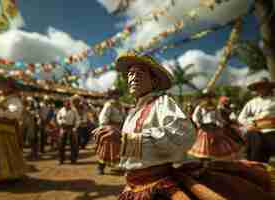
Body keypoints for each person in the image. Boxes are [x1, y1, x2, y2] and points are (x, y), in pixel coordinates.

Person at [96, 53, 275, 200]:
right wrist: (121, 143)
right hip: (133, 186)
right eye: (130, 74)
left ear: (154, 81)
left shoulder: (163, 102)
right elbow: (135, 152)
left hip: (158, 185)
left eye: (140, 73)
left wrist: (125, 139)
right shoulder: (132, 112)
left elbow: (183, 134)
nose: (133, 78)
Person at [188, 90, 242, 160]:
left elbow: (218, 118)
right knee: (204, 149)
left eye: (210, 97)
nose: (208, 99)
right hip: (205, 129)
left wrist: (222, 123)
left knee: (214, 148)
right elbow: (195, 117)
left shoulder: (215, 107)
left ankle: (210, 164)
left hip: (214, 129)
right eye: (206, 97)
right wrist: (199, 123)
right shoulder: (200, 107)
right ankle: (204, 163)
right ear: (203, 98)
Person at [238, 77, 275, 163]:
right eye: (259, 87)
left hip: (272, 130)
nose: (261, 89)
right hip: (255, 130)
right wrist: (249, 124)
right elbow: (241, 118)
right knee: (253, 137)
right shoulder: (252, 102)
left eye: (263, 86)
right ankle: (254, 164)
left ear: (269, 87)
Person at [93, 89, 125, 175]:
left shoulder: (121, 105)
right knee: (107, 144)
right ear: (112, 95)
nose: (117, 96)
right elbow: (103, 118)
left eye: (118, 94)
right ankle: (100, 166)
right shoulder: (108, 105)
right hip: (110, 127)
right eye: (115, 94)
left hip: (120, 127)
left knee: (125, 143)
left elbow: (123, 117)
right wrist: (107, 127)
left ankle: (119, 165)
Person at [56, 99, 80, 164]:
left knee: (73, 144)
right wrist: (60, 122)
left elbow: (77, 119)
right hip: (63, 128)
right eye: (66, 103)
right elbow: (58, 118)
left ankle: (73, 159)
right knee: (61, 144)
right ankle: (61, 159)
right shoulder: (61, 110)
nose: (67, 104)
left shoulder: (74, 110)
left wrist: (75, 127)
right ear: (64, 104)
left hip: (71, 128)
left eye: (69, 103)